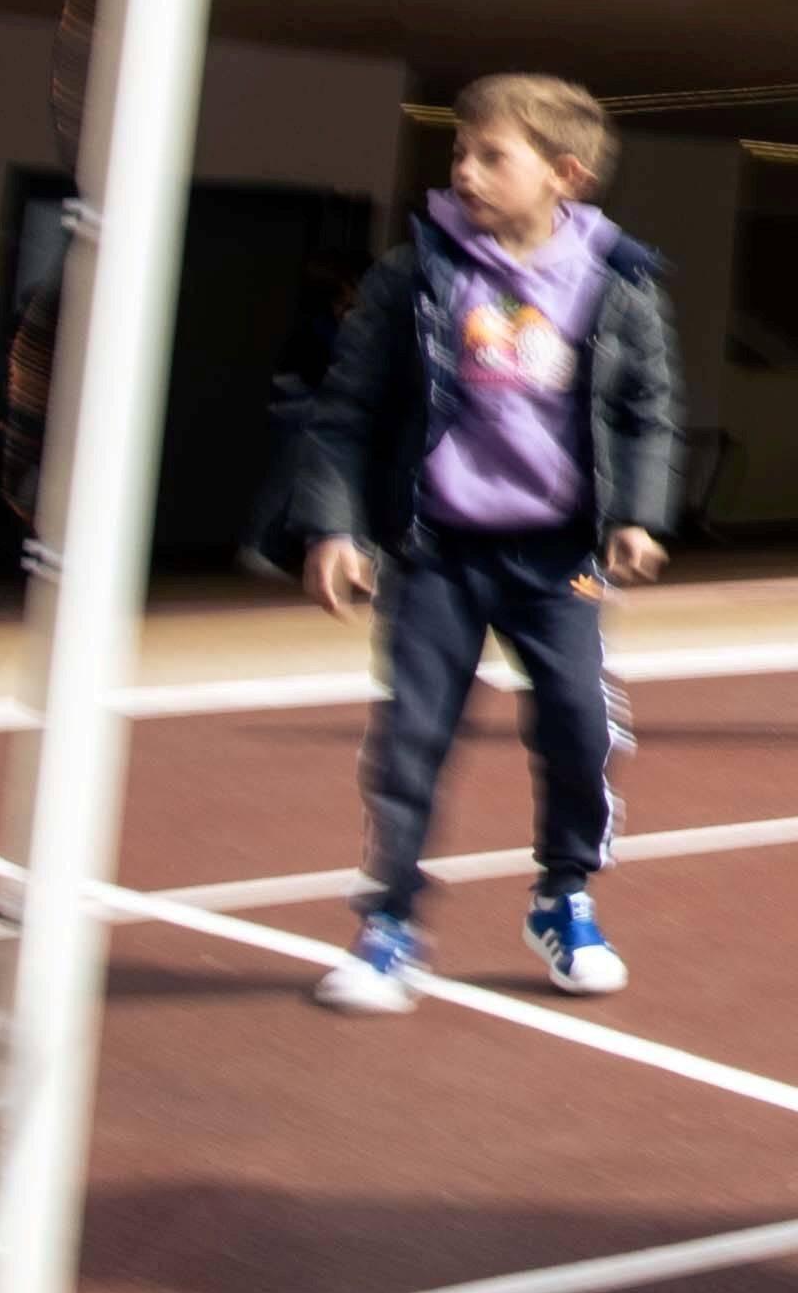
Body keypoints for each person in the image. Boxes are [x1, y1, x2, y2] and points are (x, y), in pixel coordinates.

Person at [281, 74, 679, 1018]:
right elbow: (347, 409)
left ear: (565, 176)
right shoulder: (416, 272)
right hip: (438, 555)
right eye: (459, 151)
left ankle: (563, 896)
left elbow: (646, 408)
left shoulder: (617, 280)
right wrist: (335, 526)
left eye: (492, 156)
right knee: (411, 740)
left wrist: (637, 513)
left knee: (579, 727)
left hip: (558, 561)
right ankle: (390, 923)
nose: (464, 170)